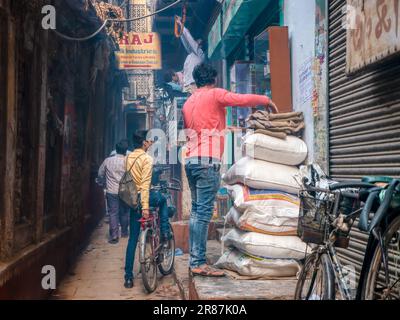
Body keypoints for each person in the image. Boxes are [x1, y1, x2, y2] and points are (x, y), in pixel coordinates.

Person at [182, 63, 278, 277]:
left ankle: (195, 259)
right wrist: (265, 100)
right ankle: (197, 262)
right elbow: (239, 100)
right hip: (207, 161)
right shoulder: (215, 94)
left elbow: (198, 128)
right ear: (213, 79)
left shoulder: (188, 102)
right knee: (203, 213)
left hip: (191, 160)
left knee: (197, 212)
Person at [124, 130, 171, 288]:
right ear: (143, 143)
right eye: (148, 141)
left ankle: (128, 278)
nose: (150, 143)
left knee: (132, 239)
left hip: (131, 200)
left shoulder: (128, 157)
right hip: (143, 197)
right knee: (163, 200)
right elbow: (144, 185)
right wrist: (145, 207)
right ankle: (165, 232)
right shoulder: (146, 159)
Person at [98, 140, 130, 244]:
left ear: (116, 150)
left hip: (111, 191)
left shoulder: (108, 161)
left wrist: (103, 181)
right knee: (124, 212)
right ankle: (124, 232)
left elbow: (100, 173)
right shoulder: (128, 161)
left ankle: (114, 236)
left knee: (113, 213)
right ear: (125, 151)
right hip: (125, 191)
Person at [175, 16, 205, 94]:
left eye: (197, 41)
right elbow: (186, 41)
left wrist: (180, 24)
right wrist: (180, 27)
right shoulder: (192, 54)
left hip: (193, 86)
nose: (195, 42)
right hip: (188, 87)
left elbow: (188, 37)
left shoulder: (199, 53)